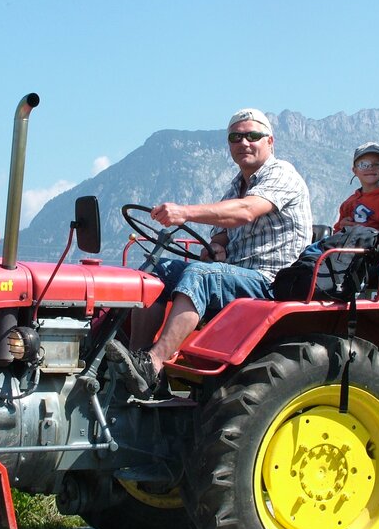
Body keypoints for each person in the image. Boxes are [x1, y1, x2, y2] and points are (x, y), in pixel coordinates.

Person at [108, 108, 313, 397]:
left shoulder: (282, 174)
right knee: (155, 270)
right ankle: (136, 359)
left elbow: (245, 211)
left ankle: (153, 363)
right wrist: (217, 244)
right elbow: (225, 228)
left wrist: (185, 213)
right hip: (237, 272)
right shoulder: (236, 184)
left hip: (270, 280)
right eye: (236, 137)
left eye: (253, 135)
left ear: (270, 141)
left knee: (200, 275)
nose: (244, 142)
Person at [333, 142, 379, 233]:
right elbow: (336, 233)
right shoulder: (348, 203)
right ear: (355, 171)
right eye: (363, 165)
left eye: (376, 164)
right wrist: (342, 227)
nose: (370, 168)